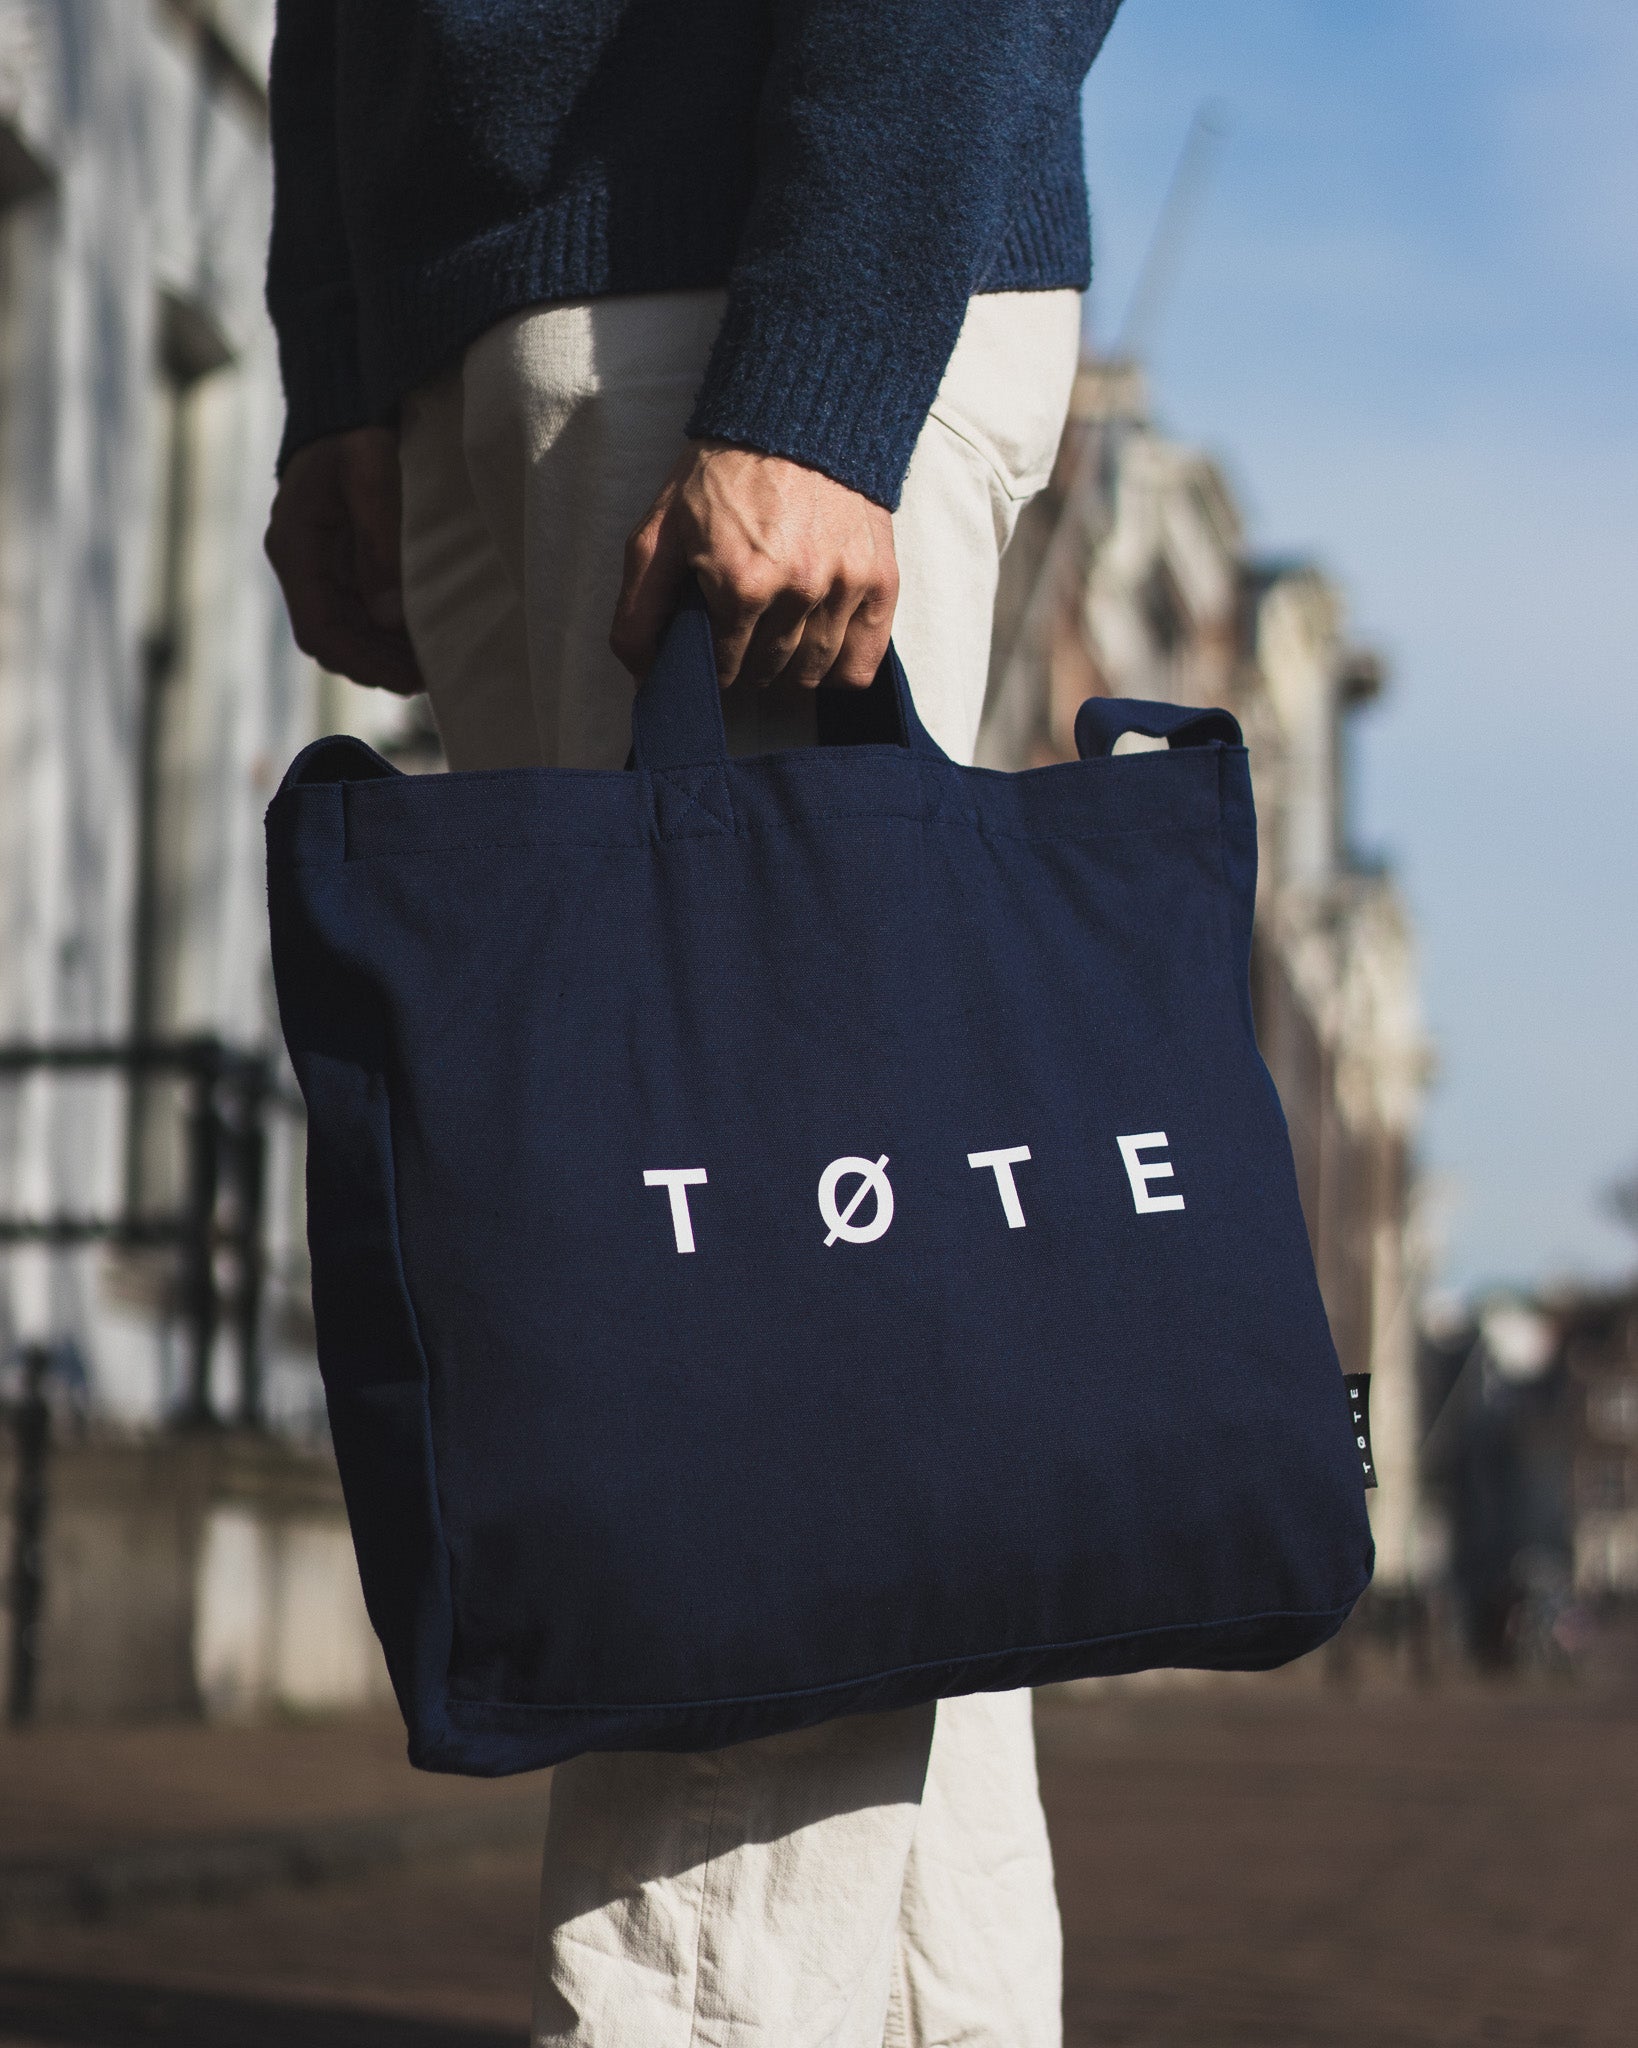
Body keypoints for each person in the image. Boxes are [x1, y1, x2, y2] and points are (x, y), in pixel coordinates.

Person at [262, 4, 1125, 2042]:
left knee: (735, 1399)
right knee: (808, 1366)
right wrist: (342, 347)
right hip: (496, 288)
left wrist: (822, 359)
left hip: (741, 255)